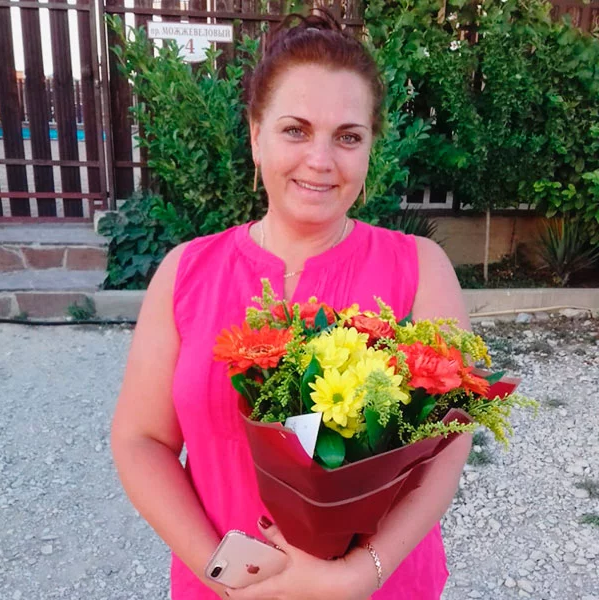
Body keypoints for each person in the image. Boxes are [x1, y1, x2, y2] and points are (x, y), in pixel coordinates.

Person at [111, 10, 472, 600]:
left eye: (348, 137)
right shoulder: (186, 273)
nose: (321, 160)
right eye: (296, 130)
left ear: (370, 149)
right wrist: (221, 573)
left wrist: (357, 576)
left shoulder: (419, 270)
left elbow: (446, 447)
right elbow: (140, 439)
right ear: (256, 136)